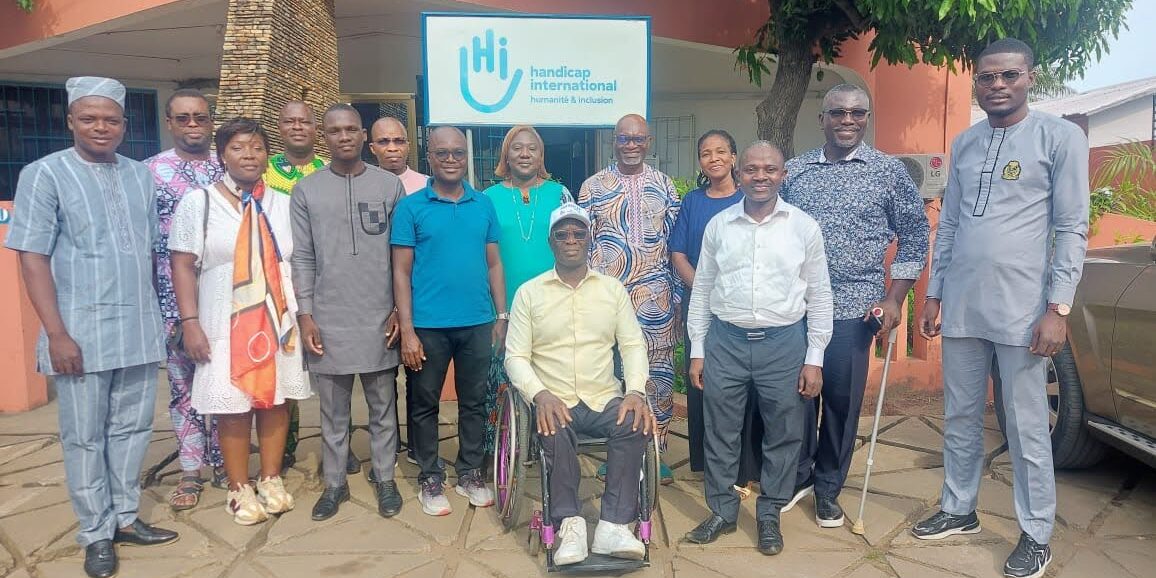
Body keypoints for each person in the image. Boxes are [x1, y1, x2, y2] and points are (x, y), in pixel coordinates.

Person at [913, 38, 1089, 578]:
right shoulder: (965, 143)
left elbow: (1072, 227)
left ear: (1029, 77)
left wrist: (1058, 308)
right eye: (987, 77)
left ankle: (1036, 533)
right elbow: (951, 225)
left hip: (1024, 310)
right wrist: (935, 292)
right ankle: (959, 508)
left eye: (1009, 75)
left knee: (1026, 424)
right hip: (964, 304)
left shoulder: (1059, 138)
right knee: (961, 414)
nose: (997, 85)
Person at [5, 76, 178, 578]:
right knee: (84, 436)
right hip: (79, 330)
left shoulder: (139, 176)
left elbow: (147, 251)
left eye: (110, 119)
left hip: (138, 326)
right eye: (89, 118)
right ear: (70, 122)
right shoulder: (44, 174)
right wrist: (57, 333)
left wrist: (162, 317)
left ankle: (125, 517)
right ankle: (95, 532)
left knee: (133, 429)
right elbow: (32, 258)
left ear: (124, 124)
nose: (101, 127)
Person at [780, 84, 931, 527]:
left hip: (855, 308)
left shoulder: (888, 172)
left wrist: (895, 297)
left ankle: (828, 488)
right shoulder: (795, 172)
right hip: (797, 308)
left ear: (866, 118)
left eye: (857, 113)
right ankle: (799, 477)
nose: (848, 120)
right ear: (822, 119)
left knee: (841, 405)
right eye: (838, 112)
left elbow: (915, 235)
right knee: (797, 398)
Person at [684, 141, 833, 557]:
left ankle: (769, 514)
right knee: (720, 431)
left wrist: (814, 358)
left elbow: (820, 295)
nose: (760, 176)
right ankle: (722, 511)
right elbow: (703, 289)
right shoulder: (720, 225)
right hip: (725, 342)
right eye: (752, 169)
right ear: (739, 173)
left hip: (783, 344)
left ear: (783, 174)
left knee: (784, 433)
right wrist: (698, 349)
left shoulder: (803, 227)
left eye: (769, 169)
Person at [169, 117, 310, 526]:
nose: (249, 155)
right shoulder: (200, 202)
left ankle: (270, 478)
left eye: (257, 147)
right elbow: (182, 265)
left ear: (267, 155)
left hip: (276, 317)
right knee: (232, 404)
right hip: (222, 319)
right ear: (221, 155)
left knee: (276, 399)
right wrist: (190, 322)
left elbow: (297, 261)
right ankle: (237, 486)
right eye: (238, 148)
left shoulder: (283, 204)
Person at [505, 203, 655, 566]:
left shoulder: (612, 290)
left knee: (634, 421)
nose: (571, 240)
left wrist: (636, 391)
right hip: (555, 400)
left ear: (590, 239)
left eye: (578, 233)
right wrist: (540, 395)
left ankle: (613, 526)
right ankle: (570, 524)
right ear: (551, 242)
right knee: (552, 426)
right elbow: (515, 357)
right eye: (562, 234)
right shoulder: (529, 293)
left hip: (603, 396)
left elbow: (632, 345)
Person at [291, 104, 406, 521]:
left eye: (351, 129)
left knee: (383, 408)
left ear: (363, 136)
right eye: (335, 130)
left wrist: (400, 309)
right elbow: (303, 256)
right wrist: (306, 313)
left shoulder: (389, 186)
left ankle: (385, 478)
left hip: (379, 315)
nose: (344, 137)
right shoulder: (307, 190)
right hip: (328, 317)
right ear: (325, 137)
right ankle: (334, 484)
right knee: (333, 412)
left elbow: (401, 255)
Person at [391, 126, 505, 516]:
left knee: (474, 401)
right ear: (430, 157)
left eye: (458, 152)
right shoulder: (411, 207)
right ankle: (430, 476)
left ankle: (469, 472)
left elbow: (494, 263)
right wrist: (407, 329)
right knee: (424, 402)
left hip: (477, 321)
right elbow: (401, 271)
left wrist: (501, 314)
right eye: (443, 153)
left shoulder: (482, 204)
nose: (451, 159)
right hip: (427, 325)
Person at [578, 113, 680, 484]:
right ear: (614, 141)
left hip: (656, 300)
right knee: (612, 377)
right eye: (624, 138)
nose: (631, 145)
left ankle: (656, 452)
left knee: (658, 376)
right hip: (608, 300)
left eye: (638, 139)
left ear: (648, 142)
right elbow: (582, 245)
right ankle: (619, 453)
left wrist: (678, 299)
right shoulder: (592, 187)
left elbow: (675, 245)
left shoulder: (665, 185)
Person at [144, 88, 226, 510]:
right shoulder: (150, 172)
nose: (192, 125)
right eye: (183, 118)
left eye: (200, 117)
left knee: (226, 381)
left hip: (225, 295)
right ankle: (192, 469)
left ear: (210, 121)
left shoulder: (226, 168)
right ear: (169, 122)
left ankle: (227, 462)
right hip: (173, 301)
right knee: (183, 387)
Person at [669, 129, 759, 494]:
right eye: (706, 153)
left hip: (742, 305)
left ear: (734, 157)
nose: (714, 158)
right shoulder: (692, 202)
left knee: (742, 384)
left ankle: (744, 467)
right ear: (700, 162)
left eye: (721, 151)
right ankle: (708, 464)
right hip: (700, 304)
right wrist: (705, 290)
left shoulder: (750, 200)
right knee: (702, 381)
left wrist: (726, 293)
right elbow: (678, 253)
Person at [483, 125, 572, 455]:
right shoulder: (488, 198)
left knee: (550, 377)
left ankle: (548, 449)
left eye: (532, 148)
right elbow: (484, 257)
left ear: (541, 155)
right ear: (506, 155)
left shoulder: (560, 194)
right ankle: (503, 453)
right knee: (505, 378)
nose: (524, 154)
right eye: (517, 148)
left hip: (553, 305)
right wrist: (500, 313)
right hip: (504, 307)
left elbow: (575, 248)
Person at [262, 100, 329, 470]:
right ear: (280, 127)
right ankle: (284, 448)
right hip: (277, 281)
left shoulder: (329, 170)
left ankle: (338, 445)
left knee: (332, 371)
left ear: (315, 128)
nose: (298, 127)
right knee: (284, 368)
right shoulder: (264, 171)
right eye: (290, 121)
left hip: (325, 280)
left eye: (305, 121)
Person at [369, 116, 429, 194]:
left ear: (408, 147)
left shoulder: (427, 185)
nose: (392, 148)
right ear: (372, 148)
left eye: (399, 141)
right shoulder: (362, 186)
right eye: (383, 142)